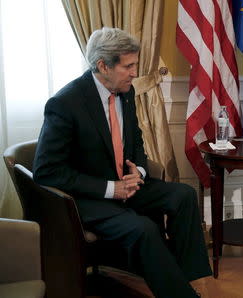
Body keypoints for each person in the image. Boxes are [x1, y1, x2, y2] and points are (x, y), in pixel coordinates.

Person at [33, 27, 211, 298]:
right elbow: (46, 172)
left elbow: (136, 139)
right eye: (128, 66)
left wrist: (137, 171)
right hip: (88, 198)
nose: (134, 73)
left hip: (127, 185)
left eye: (135, 65)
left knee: (184, 196)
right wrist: (110, 188)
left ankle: (182, 281)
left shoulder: (125, 92)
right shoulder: (64, 104)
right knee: (144, 229)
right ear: (103, 65)